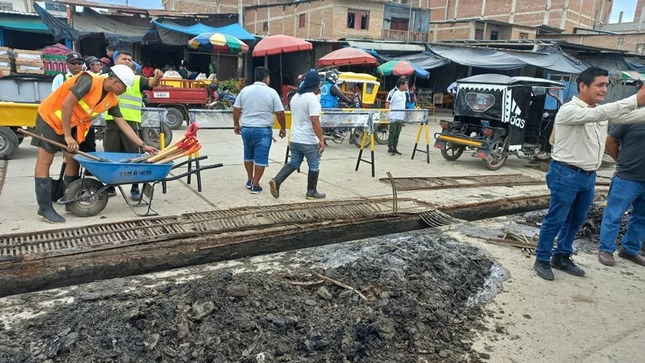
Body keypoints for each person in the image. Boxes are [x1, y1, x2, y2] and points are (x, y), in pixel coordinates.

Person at [534, 66, 645, 281]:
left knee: (576, 220)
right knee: (555, 219)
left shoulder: (598, 112)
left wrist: (638, 104)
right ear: (582, 86)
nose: (604, 89)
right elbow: (605, 113)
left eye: (606, 85)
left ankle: (562, 256)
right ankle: (542, 258)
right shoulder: (570, 110)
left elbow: (632, 117)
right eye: (600, 85)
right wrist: (636, 98)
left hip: (587, 176)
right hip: (565, 174)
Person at [31, 65, 157, 223]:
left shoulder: (111, 99)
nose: (125, 91)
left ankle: (70, 202)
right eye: (125, 87)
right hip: (50, 118)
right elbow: (66, 105)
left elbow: (123, 124)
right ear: (115, 81)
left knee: (72, 159)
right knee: (45, 160)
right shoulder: (89, 80)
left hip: (72, 125)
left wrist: (143, 144)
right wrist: (68, 137)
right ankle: (44, 209)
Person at [103, 51, 163, 201]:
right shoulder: (105, 79)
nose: (128, 61)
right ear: (115, 62)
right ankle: (110, 186)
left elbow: (151, 83)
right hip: (111, 123)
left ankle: (135, 187)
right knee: (111, 157)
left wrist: (157, 77)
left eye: (130, 60)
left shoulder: (136, 80)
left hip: (132, 123)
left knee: (134, 157)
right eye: (124, 59)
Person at [269, 70, 326, 200]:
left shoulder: (295, 97)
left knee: (294, 162)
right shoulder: (312, 99)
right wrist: (321, 139)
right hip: (308, 140)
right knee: (314, 164)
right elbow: (315, 121)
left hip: (295, 139)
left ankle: (277, 180)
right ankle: (311, 191)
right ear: (316, 85)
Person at [597, 123, 645, 266]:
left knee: (641, 217)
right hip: (627, 178)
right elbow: (610, 140)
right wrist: (621, 162)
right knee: (614, 214)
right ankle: (605, 249)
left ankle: (630, 250)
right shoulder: (630, 118)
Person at [233, 66, 286, 194]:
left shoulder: (245, 91)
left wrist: (236, 124)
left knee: (248, 156)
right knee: (261, 158)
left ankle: (250, 179)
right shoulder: (271, 92)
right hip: (263, 130)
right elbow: (280, 113)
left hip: (246, 129)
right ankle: (255, 185)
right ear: (266, 78)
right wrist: (283, 127)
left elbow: (236, 109)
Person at [52, 52, 96, 154]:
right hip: (68, 121)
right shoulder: (61, 78)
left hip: (84, 121)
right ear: (67, 64)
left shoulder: (89, 77)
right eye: (74, 63)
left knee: (89, 151)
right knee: (70, 154)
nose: (77, 65)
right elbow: (55, 100)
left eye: (79, 63)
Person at [385, 77, 408, 156]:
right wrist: (387, 114)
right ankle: (390, 147)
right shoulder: (393, 92)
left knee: (398, 133)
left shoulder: (404, 93)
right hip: (393, 116)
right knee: (392, 132)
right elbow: (387, 103)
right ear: (401, 85)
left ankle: (395, 147)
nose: (406, 86)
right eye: (405, 84)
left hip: (400, 117)